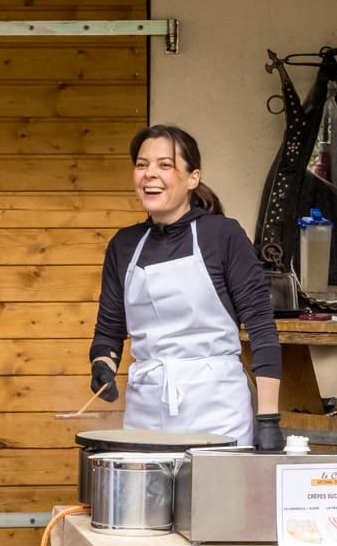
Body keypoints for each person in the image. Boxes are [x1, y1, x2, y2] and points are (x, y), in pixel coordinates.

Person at [90, 125, 284, 450]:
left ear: (193, 178)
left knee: (216, 499)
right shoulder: (124, 245)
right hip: (146, 408)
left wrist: (268, 419)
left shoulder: (223, 236)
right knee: (147, 501)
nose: (150, 173)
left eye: (165, 165)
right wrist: (102, 365)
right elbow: (109, 333)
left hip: (217, 407)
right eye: (142, 165)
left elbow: (262, 329)